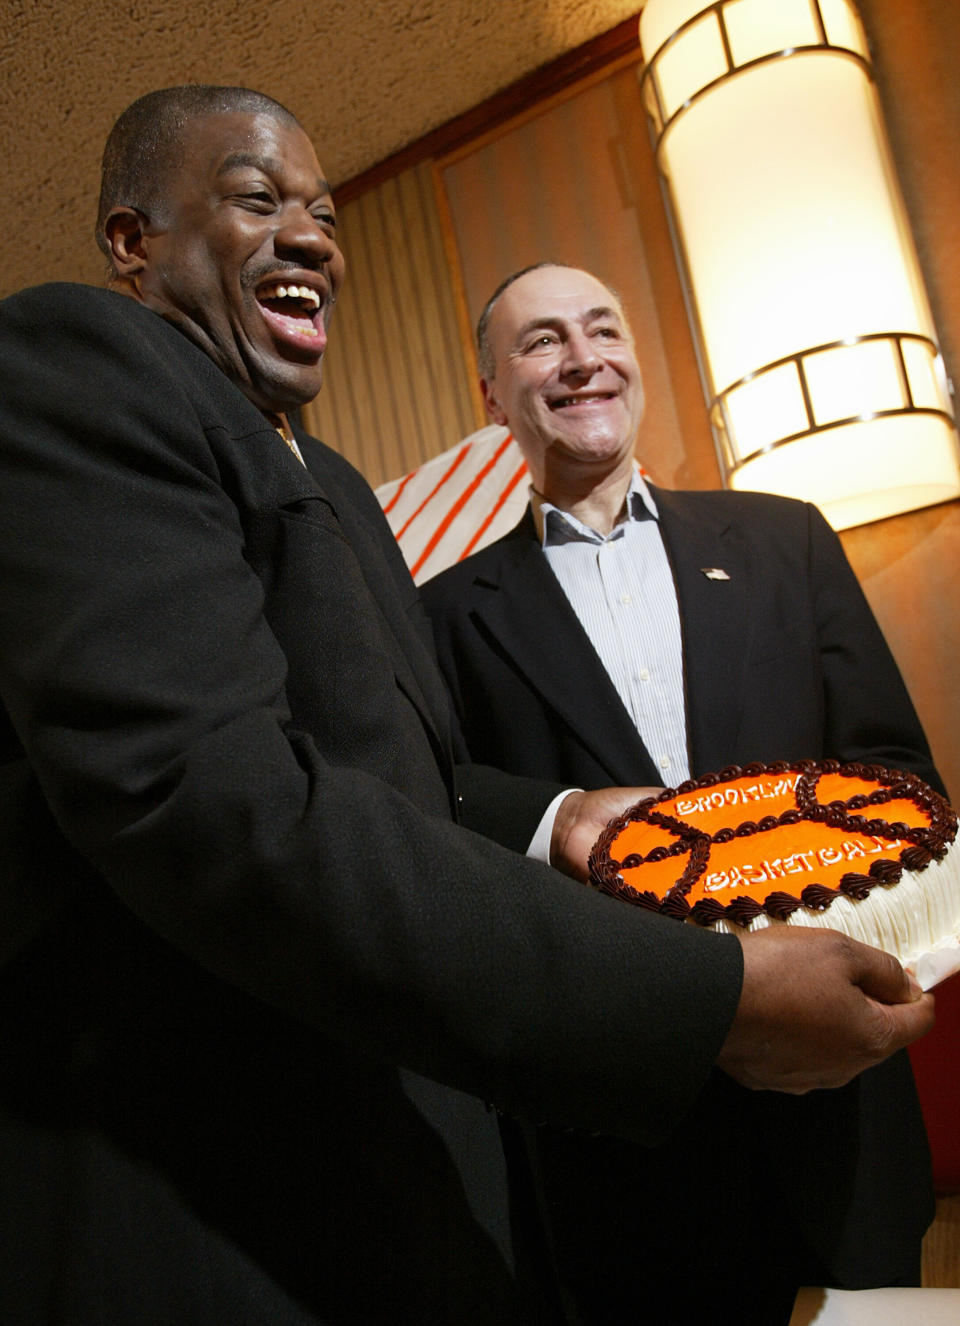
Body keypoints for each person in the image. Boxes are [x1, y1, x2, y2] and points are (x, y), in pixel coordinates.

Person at [0, 97, 933, 1326]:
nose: (313, 236)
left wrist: (561, 818)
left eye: (325, 213)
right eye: (257, 199)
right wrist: (699, 1000)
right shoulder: (79, 361)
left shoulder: (328, 481)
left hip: (428, 1188)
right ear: (133, 240)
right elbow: (215, 799)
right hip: (225, 1207)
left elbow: (409, 785)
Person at [422, 262, 944, 1323]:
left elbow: (900, 777)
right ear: (491, 395)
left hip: (839, 1098)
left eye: (601, 329)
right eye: (541, 342)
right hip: (627, 1133)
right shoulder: (445, 616)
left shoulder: (787, 539)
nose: (581, 359)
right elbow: (440, 813)